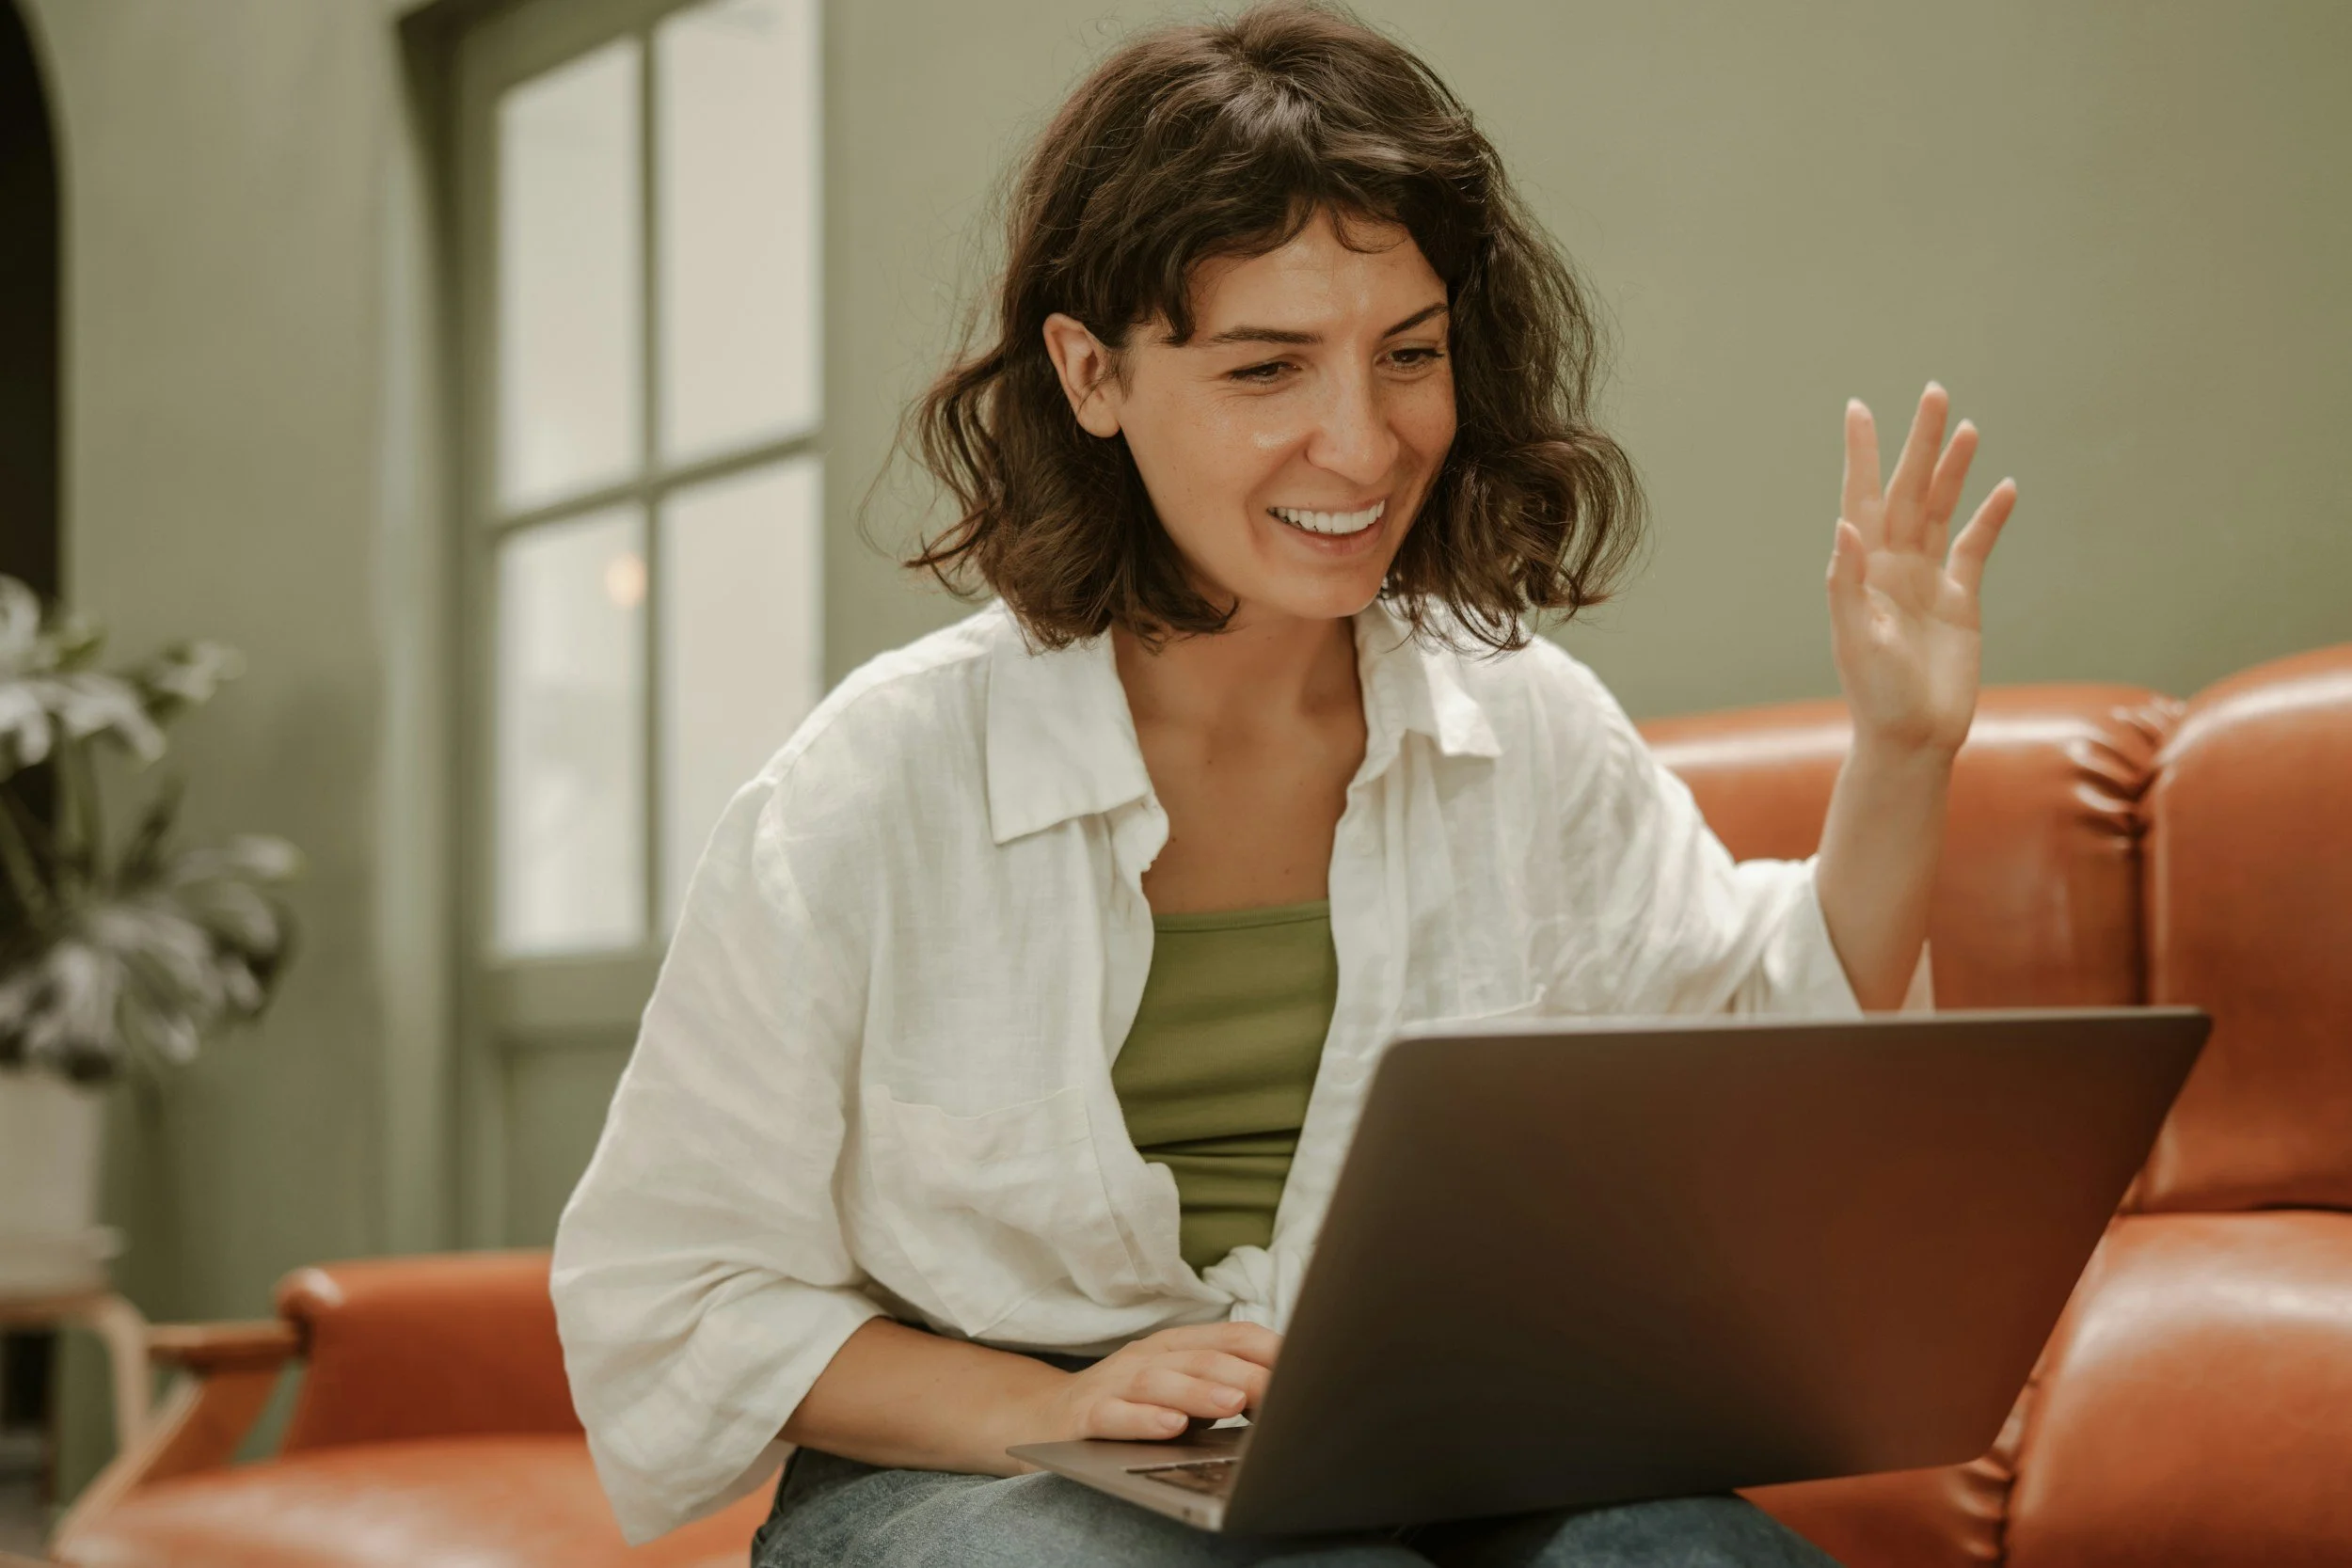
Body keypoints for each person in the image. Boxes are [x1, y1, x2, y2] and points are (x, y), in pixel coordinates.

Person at [550, 5, 2013, 1564]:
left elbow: (1772, 1049)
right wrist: (1047, 1404)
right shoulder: (868, 788)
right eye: (1267, 366)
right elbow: (677, 1291)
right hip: (983, 1466)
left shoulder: (1530, 730)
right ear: (1091, 373)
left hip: (1427, 1426)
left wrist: (1906, 750)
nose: (1363, 442)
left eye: (1409, 356)